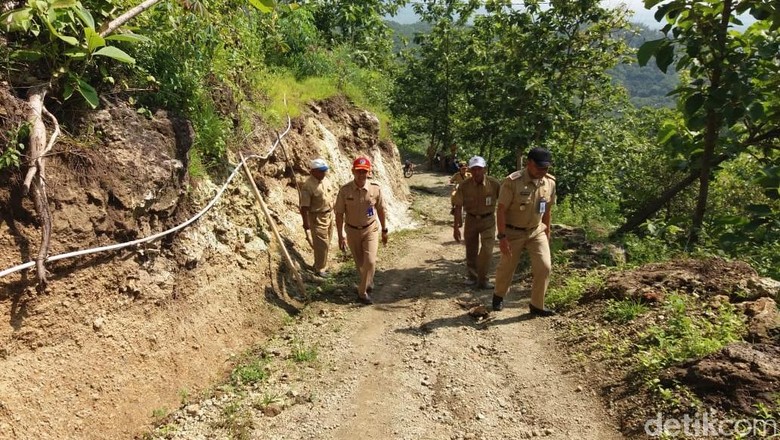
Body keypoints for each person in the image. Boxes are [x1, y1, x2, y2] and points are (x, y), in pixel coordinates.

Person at [492, 147, 557, 316]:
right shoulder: (513, 181)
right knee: (507, 267)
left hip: (536, 231)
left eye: (546, 168)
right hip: (513, 232)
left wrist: (547, 232)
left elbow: (547, 210)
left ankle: (537, 305)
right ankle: (498, 295)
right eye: (539, 167)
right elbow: (501, 210)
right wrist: (502, 237)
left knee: (544, 267)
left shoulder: (549, 182)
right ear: (529, 163)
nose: (543, 171)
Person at [335, 156, 389, 304]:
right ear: (353, 171)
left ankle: (362, 292)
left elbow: (381, 210)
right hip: (352, 231)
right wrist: (340, 236)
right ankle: (368, 282)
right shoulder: (345, 191)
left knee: (370, 261)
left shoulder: (375, 189)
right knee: (360, 265)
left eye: (364, 171)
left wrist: (384, 230)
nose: (361, 174)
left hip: (370, 229)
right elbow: (339, 214)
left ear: (369, 172)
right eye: (358, 171)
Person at [452, 156, 501, 289]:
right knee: (471, 249)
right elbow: (458, 206)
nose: (477, 172)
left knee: (487, 251)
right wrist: (456, 227)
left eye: (479, 169)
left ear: (484, 169)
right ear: (470, 170)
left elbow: (504, 203)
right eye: (474, 169)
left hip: (488, 220)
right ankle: (473, 277)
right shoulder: (464, 186)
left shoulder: (494, 184)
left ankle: (483, 279)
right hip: (471, 219)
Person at [299, 158, 334, 277]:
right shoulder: (308, 186)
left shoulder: (325, 180)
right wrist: (306, 223)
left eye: (324, 171)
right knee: (321, 245)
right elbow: (304, 207)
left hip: (329, 215)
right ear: (313, 171)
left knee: (327, 242)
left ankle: (320, 264)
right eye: (321, 171)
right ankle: (320, 269)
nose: (324, 173)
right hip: (317, 218)